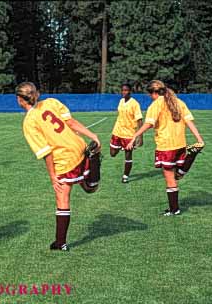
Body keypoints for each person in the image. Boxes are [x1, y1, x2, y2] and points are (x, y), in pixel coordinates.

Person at [16, 82, 101, 251]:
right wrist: (93, 135)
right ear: (36, 94)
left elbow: (46, 152)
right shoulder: (51, 102)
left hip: (64, 158)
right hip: (80, 147)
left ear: (19, 99)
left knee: (62, 198)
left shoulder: (29, 122)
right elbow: (71, 122)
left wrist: (52, 176)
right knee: (90, 188)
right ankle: (91, 172)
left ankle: (60, 243)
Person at [127, 80, 204, 216]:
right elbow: (189, 121)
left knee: (170, 179)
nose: (150, 97)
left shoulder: (156, 105)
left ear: (153, 93)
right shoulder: (178, 102)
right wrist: (199, 139)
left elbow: (149, 123)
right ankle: (190, 157)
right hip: (180, 144)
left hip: (166, 146)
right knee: (176, 176)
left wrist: (135, 136)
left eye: (150, 94)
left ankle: (174, 210)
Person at [109, 83, 143, 183]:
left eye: (126, 90)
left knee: (128, 156)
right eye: (122, 90)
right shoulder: (121, 101)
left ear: (130, 91)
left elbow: (140, 120)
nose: (124, 92)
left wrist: (140, 137)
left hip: (129, 134)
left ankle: (125, 176)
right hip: (117, 131)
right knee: (112, 153)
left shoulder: (135, 104)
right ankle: (119, 147)